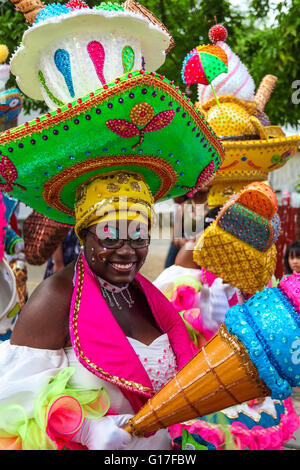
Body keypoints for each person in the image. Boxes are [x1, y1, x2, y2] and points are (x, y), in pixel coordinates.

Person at [0, 172, 196, 450]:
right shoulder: (55, 297)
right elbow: (10, 397)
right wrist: (85, 430)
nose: (127, 252)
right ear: (84, 235)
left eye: (138, 237)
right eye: (110, 237)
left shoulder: (142, 293)